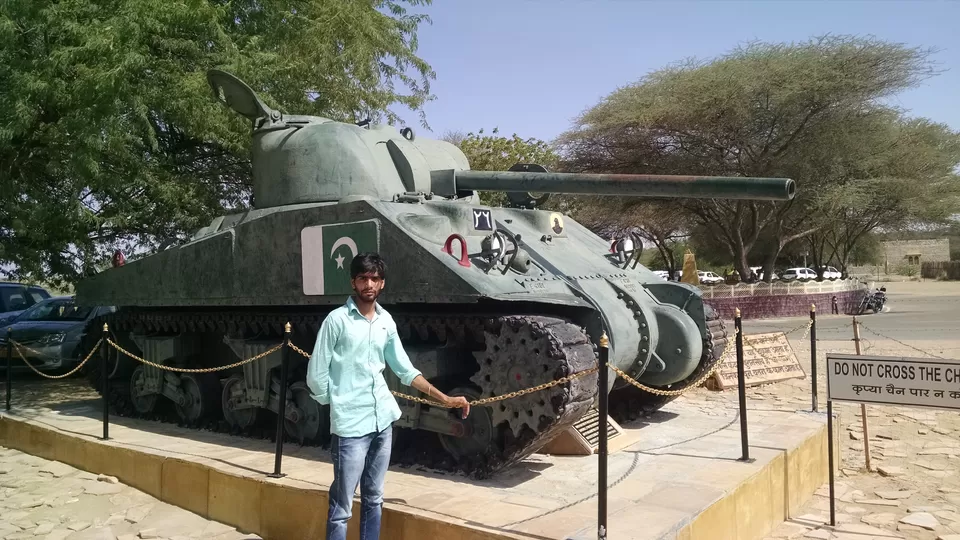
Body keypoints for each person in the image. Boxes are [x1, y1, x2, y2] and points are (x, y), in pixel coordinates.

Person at [307, 252, 470, 540]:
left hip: (382, 420)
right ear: (353, 282)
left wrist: (444, 399)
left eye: (374, 278)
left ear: (382, 284)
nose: (369, 284)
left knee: (374, 498)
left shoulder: (385, 321)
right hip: (351, 426)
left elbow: (405, 370)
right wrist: (337, 404)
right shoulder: (337, 321)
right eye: (363, 278)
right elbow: (316, 374)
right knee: (342, 505)